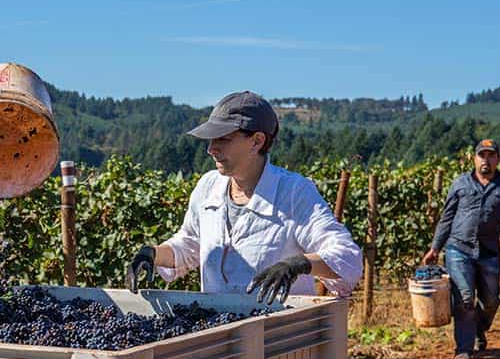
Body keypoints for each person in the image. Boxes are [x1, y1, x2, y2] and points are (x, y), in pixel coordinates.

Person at [124, 91, 362, 305]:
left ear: (256, 141)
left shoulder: (293, 193)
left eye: (223, 139)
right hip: (217, 331)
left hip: (277, 336)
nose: (211, 149)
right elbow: (190, 245)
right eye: (211, 140)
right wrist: (153, 254)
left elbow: (348, 258)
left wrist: (297, 264)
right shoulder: (208, 187)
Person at [423, 139, 500, 359]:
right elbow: (446, 218)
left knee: (492, 300)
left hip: (489, 251)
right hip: (458, 248)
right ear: (474, 159)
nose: (486, 160)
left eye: (491, 155)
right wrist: (435, 247)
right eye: (481, 155)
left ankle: (477, 329)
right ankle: (463, 348)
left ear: (498, 159)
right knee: (465, 297)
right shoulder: (460, 184)